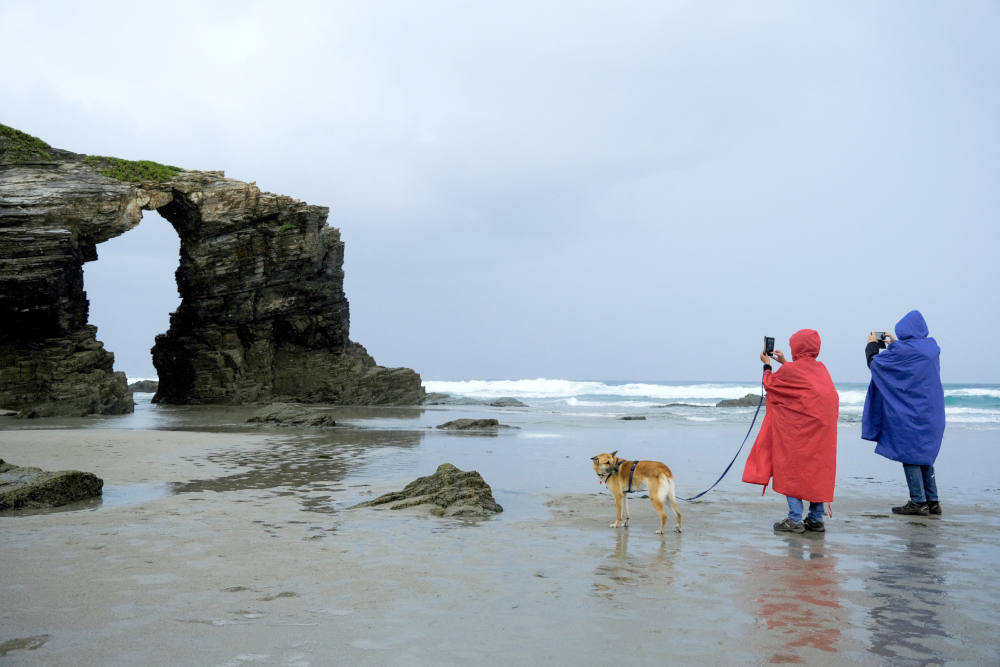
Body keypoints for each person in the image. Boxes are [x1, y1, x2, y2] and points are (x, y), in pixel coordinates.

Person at [743, 329, 840, 534]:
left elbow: (771, 384)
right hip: (823, 433)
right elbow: (803, 382)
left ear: (798, 347)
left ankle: (795, 519)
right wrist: (785, 363)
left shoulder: (794, 371)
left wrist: (767, 366)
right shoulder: (821, 369)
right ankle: (815, 519)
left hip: (800, 433)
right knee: (817, 471)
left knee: (791, 468)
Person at [862, 310, 945, 516]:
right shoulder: (931, 348)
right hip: (932, 413)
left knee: (910, 454)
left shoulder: (903, 352)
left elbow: (876, 364)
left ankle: (917, 502)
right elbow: (911, 356)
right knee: (924, 456)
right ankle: (932, 501)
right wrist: (896, 343)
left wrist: (872, 345)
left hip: (911, 414)